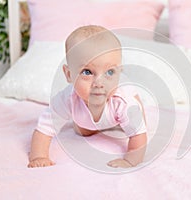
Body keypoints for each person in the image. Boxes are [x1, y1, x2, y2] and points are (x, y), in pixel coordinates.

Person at [28, 25, 147, 168]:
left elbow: (138, 137)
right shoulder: (67, 99)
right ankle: (92, 123)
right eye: (87, 72)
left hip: (121, 105)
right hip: (88, 114)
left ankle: (126, 120)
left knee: (138, 123)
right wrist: (39, 156)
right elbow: (44, 129)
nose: (99, 83)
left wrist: (130, 160)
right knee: (83, 130)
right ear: (69, 74)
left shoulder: (123, 101)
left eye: (110, 72)